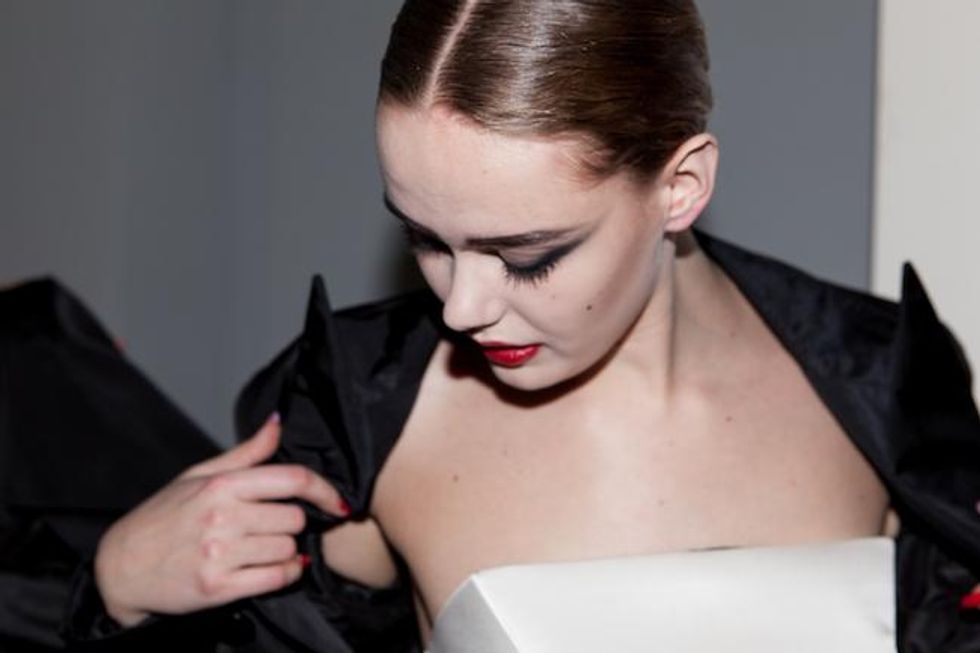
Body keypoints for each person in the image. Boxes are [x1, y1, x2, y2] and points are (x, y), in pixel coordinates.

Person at [4, 0, 979, 651]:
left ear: (680, 185)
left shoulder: (879, 388)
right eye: (425, 239)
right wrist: (118, 590)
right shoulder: (363, 425)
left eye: (527, 254)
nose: (460, 308)